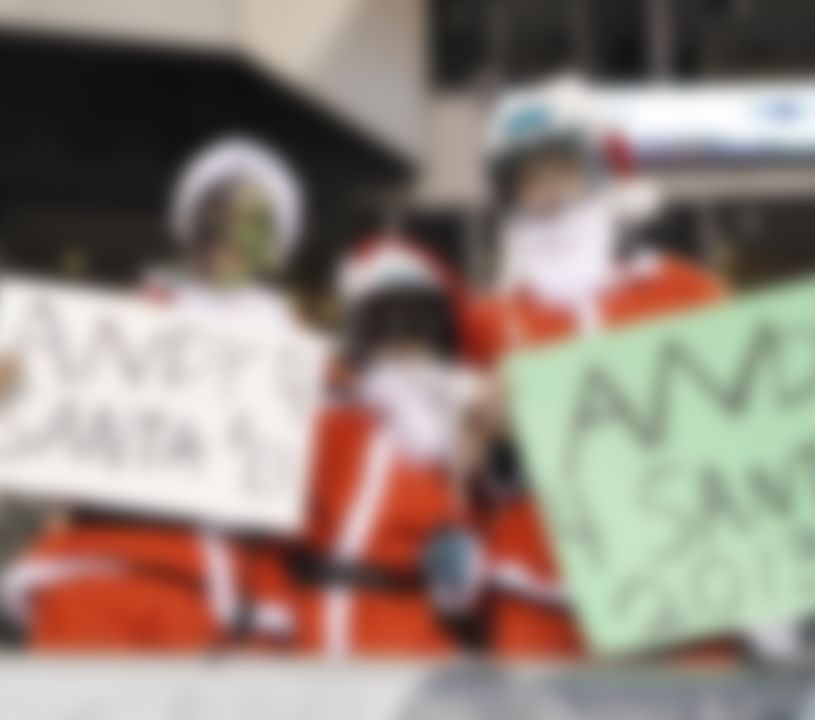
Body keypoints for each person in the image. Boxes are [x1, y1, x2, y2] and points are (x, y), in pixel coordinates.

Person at [0, 136, 304, 651]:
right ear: (190, 225)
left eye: (250, 221)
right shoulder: (114, 328)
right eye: (216, 215)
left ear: (273, 241)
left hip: (226, 597)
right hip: (96, 584)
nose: (227, 236)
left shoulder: (295, 354)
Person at [464, 76, 731, 662]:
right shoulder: (483, 322)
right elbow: (450, 471)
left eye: (561, 169)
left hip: (682, 572)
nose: (547, 194)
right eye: (526, 180)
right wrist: (479, 431)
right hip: (539, 582)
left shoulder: (686, 290)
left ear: (601, 173)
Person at [289, 236, 484, 658]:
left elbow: (462, 585)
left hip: (403, 636)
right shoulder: (324, 400)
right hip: (305, 627)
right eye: (384, 320)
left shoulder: (460, 422)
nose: (400, 339)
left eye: (415, 323)